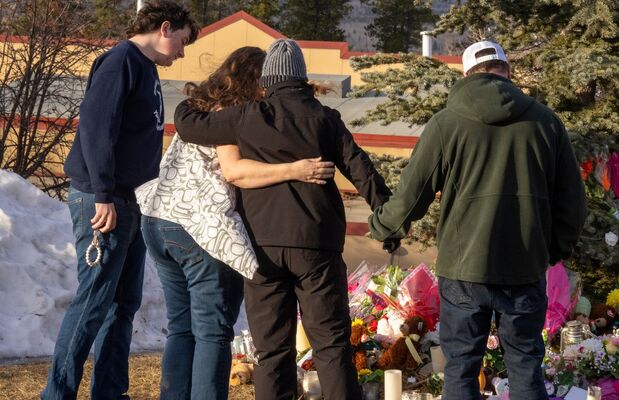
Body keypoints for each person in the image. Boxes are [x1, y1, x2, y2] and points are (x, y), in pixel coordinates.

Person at [173, 38, 393, 400]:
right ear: (302, 78)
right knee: (331, 346)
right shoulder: (325, 119)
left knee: (271, 350)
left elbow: (188, 124)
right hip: (317, 246)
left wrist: (202, 94)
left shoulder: (247, 116)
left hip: (263, 247)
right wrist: (388, 218)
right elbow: (362, 171)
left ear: (268, 80)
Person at [368, 41, 588, 400]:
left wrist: (382, 226)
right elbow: (574, 206)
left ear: (467, 75)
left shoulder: (446, 124)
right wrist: (549, 251)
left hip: (464, 270)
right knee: (524, 367)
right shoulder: (546, 123)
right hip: (523, 268)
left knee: (461, 369)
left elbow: (411, 198)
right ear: (507, 73)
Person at [135, 46, 335, 400]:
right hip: (200, 227)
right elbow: (235, 171)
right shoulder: (230, 115)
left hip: (158, 218)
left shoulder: (200, 108)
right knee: (213, 330)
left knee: (182, 328)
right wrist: (297, 169)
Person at [41, 2, 199, 399]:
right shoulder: (120, 62)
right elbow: (96, 130)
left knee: (123, 304)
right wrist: (103, 195)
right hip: (104, 201)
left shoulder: (145, 69)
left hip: (134, 202)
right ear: (165, 28)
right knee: (94, 300)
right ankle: (57, 394)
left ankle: (109, 392)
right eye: (182, 42)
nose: (182, 53)